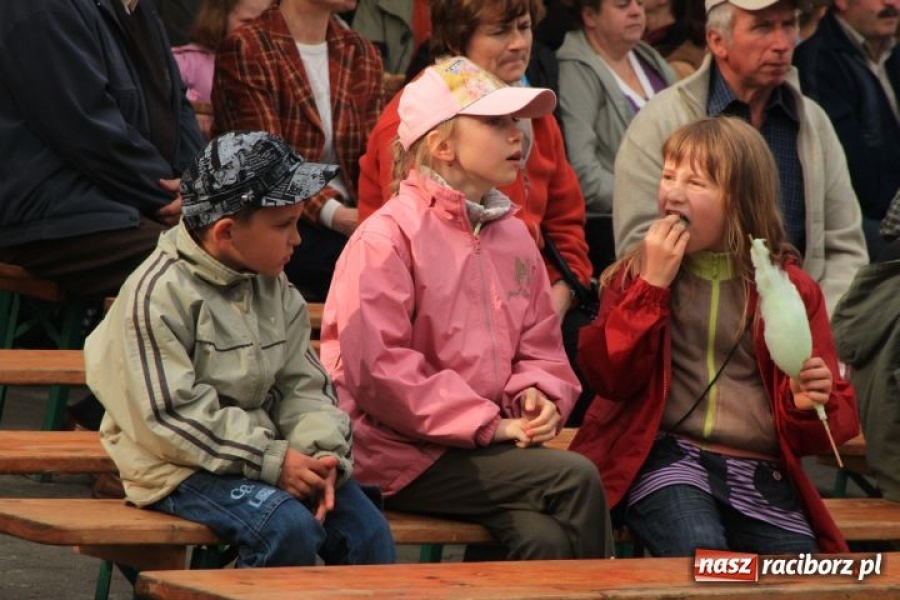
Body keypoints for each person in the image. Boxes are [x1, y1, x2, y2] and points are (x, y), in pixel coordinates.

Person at [322, 57, 613, 560]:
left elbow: (540, 348)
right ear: (442, 145)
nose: (516, 133)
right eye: (495, 122)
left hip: (482, 446)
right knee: (576, 476)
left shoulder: (515, 235)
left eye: (515, 121)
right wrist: (489, 423)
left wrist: (538, 397)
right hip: (397, 453)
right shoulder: (386, 238)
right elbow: (380, 372)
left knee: (544, 539)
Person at [84, 131, 397, 568]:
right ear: (226, 232)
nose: (298, 240)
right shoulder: (158, 293)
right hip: (174, 466)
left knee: (365, 529)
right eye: (284, 225)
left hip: (266, 456)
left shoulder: (273, 283)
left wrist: (320, 454)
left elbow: (304, 385)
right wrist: (271, 460)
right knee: (286, 527)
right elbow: (171, 417)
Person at [570, 116, 860, 556]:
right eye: (668, 176)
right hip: (667, 456)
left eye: (698, 182)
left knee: (801, 572)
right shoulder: (634, 275)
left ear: (742, 201)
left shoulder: (792, 290)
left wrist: (808, 404)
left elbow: (828, 428)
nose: (674, 192)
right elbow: (610, 378)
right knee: (704, 557)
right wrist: (651, 289)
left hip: (761, 471)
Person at [358, 0, 597, 425]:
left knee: (603, 347)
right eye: (500, 32)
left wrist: (557, 296)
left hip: (532, 303)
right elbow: (415, 257)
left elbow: (567, 224)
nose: (519, 43)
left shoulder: (535, 115)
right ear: (457, 38)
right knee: (570, 471)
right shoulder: (418, 121)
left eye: (524, 28)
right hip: (450, 332)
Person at [612, 0, 868, 316]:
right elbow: (637, 252)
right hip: (697, 342)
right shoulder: (663, 121)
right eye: (763, 27)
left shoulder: (813, 122)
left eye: (788, 24)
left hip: (802, 336)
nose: (782, 43)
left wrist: (813, 326)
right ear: (717, 41)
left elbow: (844, 247)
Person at [213, 0, 384, 302]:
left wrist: (380, 212)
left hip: (356, 216)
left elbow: (375, 157)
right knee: (373, 268)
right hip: (278, 218)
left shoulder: (361, 52)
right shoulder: (247, 47)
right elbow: (267, 161)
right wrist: (337, 214)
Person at [793, 0, 900, 261]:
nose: (893, 4)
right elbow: (857, 175)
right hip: (863, 222)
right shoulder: (819, 62)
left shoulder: (892, 52)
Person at [557, 0, 677, 217]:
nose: (636, 12)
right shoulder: (576, 70)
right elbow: (584, 174)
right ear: (590, 16)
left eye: (640, 3)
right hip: (620, 222)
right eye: (623, 5)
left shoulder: (647, 57)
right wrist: (655, 199)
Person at [172, 0, 272, 137]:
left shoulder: (274, 68)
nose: (256, 32)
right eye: (247, 22)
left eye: (265, 24)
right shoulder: (189, 62)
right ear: (220, 19)